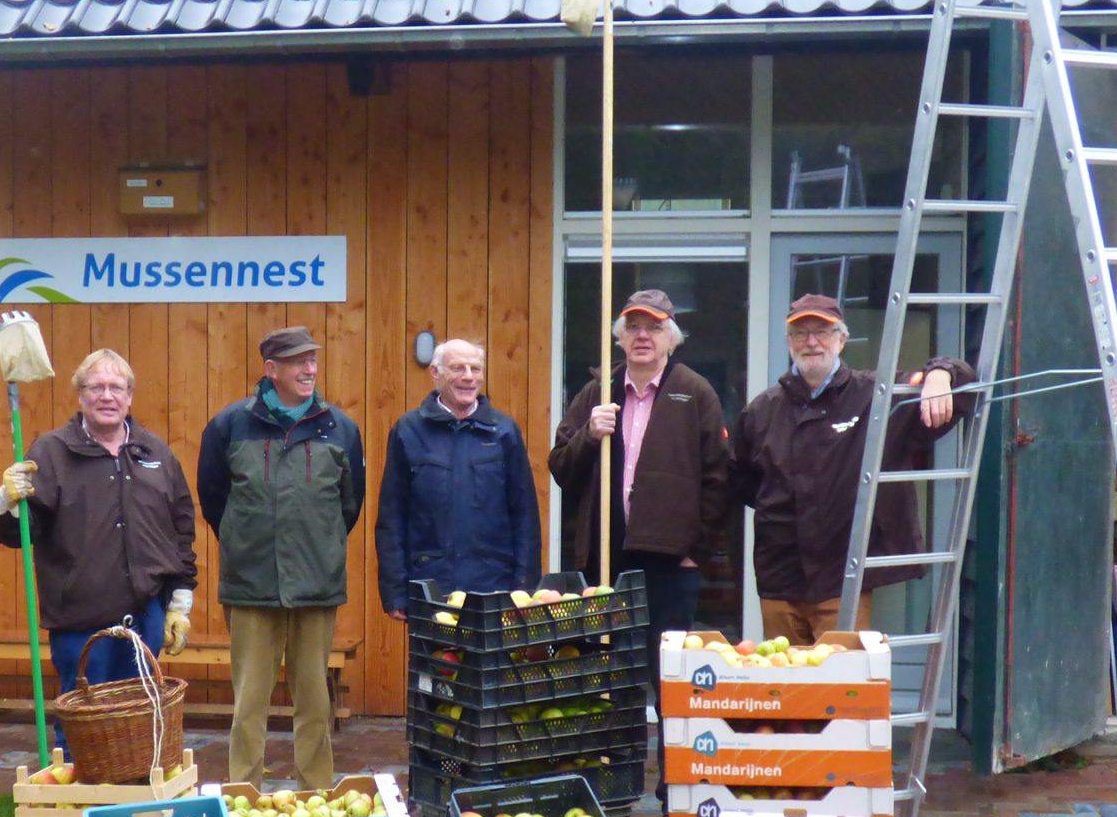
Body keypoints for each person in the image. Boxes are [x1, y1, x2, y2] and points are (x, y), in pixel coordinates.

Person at [732, 293, 975, 643]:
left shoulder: (875, 396)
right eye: (800, 333)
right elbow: (742, 481)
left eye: (823, 331)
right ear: (788, 342)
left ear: (842, 339)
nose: (811, 342)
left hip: (842, 577)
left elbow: (965, 386)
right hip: (778, 578)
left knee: (840, 688)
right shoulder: (762, 411)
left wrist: (941, 374)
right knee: (782, 689)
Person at [196, 325, 365, 789]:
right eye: (297, 362)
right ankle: (243, 795)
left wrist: (318, 546)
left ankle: (316, 792)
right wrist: (243, 540)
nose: (309, 369)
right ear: (271, 370)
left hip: (316, 586)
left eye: (312, 360)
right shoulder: (229, 426)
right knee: (249, 703)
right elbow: (213, 499)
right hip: (251, 586)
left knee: (315, 702)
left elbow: (349, 505)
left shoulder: (340, 428)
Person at [0, 348, 197, 725]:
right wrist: (5, 501)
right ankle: (79, 784)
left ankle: (138, 785)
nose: (107, 396)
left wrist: (180, 602)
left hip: (146, 615)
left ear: (130, 396)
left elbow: (181, 527)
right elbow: (19, 533)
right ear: (80, 395)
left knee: (140, 725)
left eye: (116, 387)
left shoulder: (156, 454)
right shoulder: (51, 453)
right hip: (80, 621)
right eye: (96, 387)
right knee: (84, 726)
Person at [548, 288, 731, 702]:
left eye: (654, 327)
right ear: (620, 337)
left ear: (672, 338)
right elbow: (560, 466)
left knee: (669, 679)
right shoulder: (598, 392)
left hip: (669, 561)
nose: (643, 335)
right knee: (610, 677)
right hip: (607, 559)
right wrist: (589, 436)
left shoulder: (695, 391)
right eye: (633, 327)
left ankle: (673, 766)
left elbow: (719, 479)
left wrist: (695, 550)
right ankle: (617, 765)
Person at [375, 338, 541, 621]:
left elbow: (525, 517)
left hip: (493, 588)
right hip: (430, 587)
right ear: (436, 373)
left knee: (491, 666)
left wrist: (523, 586)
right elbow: (392, 518)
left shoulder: (504, 432)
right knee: (437, 665)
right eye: (458, 368)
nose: (468, 377)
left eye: (475, 369)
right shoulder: (408, 431)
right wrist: (395, 593)